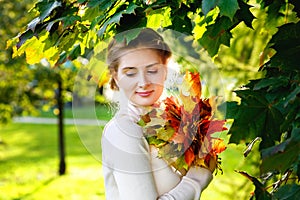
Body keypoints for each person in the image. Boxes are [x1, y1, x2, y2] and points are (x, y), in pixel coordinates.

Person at [101, 28, 215, 200]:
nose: (144, 83)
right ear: (116, 77)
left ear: (165, 70)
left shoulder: (170, 121)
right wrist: (196, 180)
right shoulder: (124, 131)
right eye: (130, 73)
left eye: (152, 70)